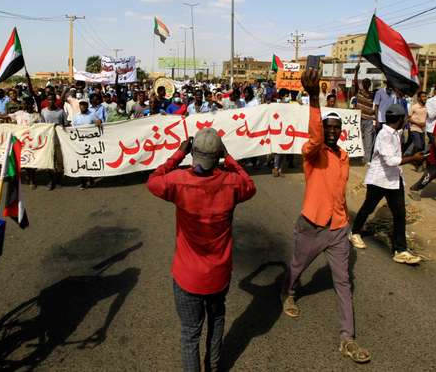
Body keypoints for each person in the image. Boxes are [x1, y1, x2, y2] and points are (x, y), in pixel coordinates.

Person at [280, 68, 370, 364]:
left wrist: (345, 224)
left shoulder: (344, 157)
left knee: (343, 282)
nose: (331, 132)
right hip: (312, 225)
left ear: (341, 132)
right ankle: (288, 292)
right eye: (327, 128)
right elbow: (316, 135)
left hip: (339, 228)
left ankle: (348, 339)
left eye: (335, 128)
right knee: (297, 266)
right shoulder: (312, 152)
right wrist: (314, 99)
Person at [147, 128, 256, 372]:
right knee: (216, 320)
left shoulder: (178, 181)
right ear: (218, 156)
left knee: (190, 334)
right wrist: (229, 159)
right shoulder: (232, 183)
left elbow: (153, 180)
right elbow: (250, 184)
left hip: (187, 277)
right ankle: (213, 367)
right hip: (218, 275)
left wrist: (177, 154)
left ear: (192, 154)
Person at [349, 104, 426, 263]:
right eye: (404, 118)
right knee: (368, 207)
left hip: (394, 180)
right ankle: (355, 233)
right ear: (400, 119)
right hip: (379, 179)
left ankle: (401, 250)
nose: (406, 120)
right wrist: (413, 159)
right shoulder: (384, 135)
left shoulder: (395, 133)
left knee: (399, 214)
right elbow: (390, 160)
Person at [0, 97, 42, 189]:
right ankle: (21, 176)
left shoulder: (37, 116)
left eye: (24, 104)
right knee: (20, 161)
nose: (22, 105)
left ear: (29, 105)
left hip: (31, 142)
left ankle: (31, 180)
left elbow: (42, 128)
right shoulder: (19, 114)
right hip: (19, 141)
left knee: (31, 161)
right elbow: (5, 116)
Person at [72, 100, 102, 189]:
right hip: (79, 143)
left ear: (87, 106)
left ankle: (91, 179)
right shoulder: (76, 117)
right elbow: (73, 128)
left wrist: (99, 121)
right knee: (81, 162)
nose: (83, 107)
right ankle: (83, 182)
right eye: (81, 105)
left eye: (85, 105)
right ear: (79, 106)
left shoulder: (92, 115)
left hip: (90, 144)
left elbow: (99, 121)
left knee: (89, 162)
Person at [40, 93, 67, 190]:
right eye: (49, 100)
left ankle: (59, 180)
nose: (51, 101)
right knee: (49, 162)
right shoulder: (43, 112)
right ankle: (51, 180)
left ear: (56, 101)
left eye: (53, 100)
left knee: (59, 162)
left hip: (59, 141)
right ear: (47, 101)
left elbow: (65, 125)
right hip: (48, 141)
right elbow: (42, 125)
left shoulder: (61, 112)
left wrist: (60, 127)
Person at [353, 65, 375, 165]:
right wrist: (356, 72)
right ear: (362, 84)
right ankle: (354, 156)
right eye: (365, 82)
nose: (367, 84)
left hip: (369, 120)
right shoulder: (359, 91)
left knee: (368, 141)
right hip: (359, 119)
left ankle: (367, 160)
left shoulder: (372, 95)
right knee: (355, 138)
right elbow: (355, 83)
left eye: (368, 83)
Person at [408, 91, 428, 162]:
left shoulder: (426, 108)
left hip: (422, 129)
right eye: (423, 96)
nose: (425, 98)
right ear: (419, 98)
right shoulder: (414, 107)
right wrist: (417, 123)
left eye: (425, 96)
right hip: (414, 128)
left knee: (422, 147)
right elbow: (408, 118)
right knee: (418, 145)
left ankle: (415, 159)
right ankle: (412, 158)